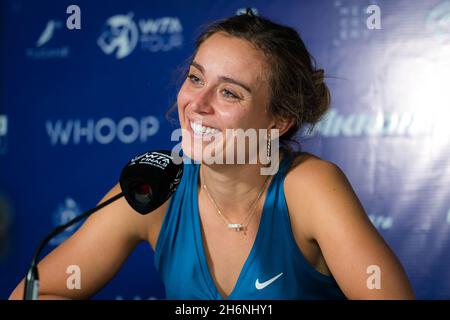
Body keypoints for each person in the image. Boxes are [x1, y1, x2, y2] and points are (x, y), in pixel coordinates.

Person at [9, 12, 415, 300]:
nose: (197, 104)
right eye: (196, 78)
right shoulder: (156, 190)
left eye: (229, 92)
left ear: (278, 122)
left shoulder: (309, 186)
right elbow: (36, 292)